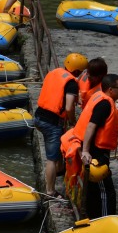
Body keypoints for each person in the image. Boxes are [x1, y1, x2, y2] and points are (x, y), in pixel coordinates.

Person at [34, 52, 85, 196]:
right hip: (52, 123)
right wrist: (73, 121)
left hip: (39, 116)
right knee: (51, 158)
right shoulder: (71, 83)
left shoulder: (54, 72)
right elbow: (69, 107)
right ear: (77, 71)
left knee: (54, 150)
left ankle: (60, 168)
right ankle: (50, 191)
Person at [76, 73, 118, 219]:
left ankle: (94, 218)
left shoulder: (100, 97)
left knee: (95, 190)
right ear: (111, 90)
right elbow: (91, 126)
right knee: (105, 192)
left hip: (95, 150)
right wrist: (86, 151)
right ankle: (104, 221)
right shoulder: (105, 104)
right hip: (96, 154)